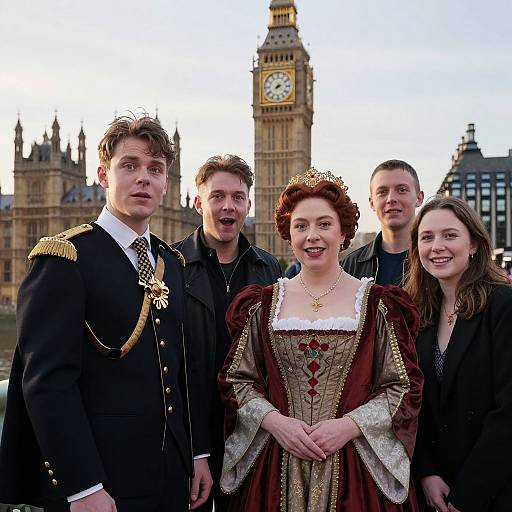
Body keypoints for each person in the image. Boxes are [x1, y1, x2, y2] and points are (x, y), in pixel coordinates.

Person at [0, 115, 212, 512]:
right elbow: (47, 384)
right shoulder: (64, 259)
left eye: (155, 169)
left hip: (170, 481)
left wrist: (197, 452)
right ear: (102, 174)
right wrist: (82, 487)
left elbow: (182, 370)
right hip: (101, 487)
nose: (143, 178)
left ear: (167, 182)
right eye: (129, 166)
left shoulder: (170, 262)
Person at [218, 168, 423, 511]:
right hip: (275, 465)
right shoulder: (263, 303)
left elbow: (402, 385)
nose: (312, 236)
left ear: (343, 231)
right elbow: (237, 379)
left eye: (324, 224)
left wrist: (348, 426)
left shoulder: (378, 304)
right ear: (288, 234)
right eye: (301, 226)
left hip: (356, 470)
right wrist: (276, 422)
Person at [172, 155, 281, 511]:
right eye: (217, 196)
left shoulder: (268, 267)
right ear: (198, 202)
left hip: (253, 435)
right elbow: (169, 366)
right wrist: (194, 449)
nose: (228, 205)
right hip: (191, 438)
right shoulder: (170, 266)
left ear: (248, 204)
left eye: (237, 197)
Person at [405, 196, 512, 512]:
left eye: (450, 235)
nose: (437, 246)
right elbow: (412, 402)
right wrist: (426, 472)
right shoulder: (419, 312)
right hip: (435, 490)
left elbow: (508, 412)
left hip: (491, 490)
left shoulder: (502, 305)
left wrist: (466, 495)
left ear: (474, 244)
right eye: (427, 237)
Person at [342, 159, 424, 286]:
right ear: (371, 203)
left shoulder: (434, 260)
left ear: (419, 198)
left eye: (402, 190)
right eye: (382, 192)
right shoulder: (350, 266)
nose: (391, 199)